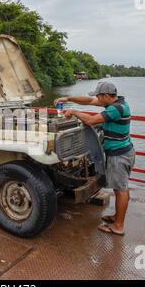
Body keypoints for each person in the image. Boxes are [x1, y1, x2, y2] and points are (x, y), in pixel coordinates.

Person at [54, 82, 135, 236]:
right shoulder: (117, 103)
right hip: (122, 152)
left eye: (98, 96)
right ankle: (117, 217)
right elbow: (89, 101)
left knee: (121, 189)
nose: (96, 99)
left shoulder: (116, 109)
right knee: (120, 187)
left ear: (105, 96)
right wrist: (67, 98)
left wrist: (74, 112)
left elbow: (91, 120)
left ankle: (118, 226)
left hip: (120, 155)